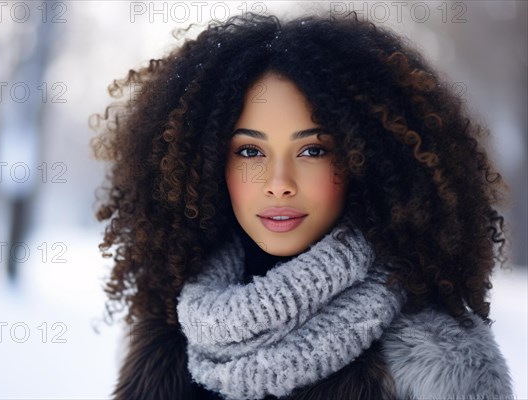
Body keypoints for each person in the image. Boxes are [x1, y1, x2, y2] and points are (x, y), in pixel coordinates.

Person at [90, 11, 514, 400]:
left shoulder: (439, 367)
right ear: (206, 166)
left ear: (364, 160)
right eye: (250, 152)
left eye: (312, 150)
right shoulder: (161, 343)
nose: (279, 184)